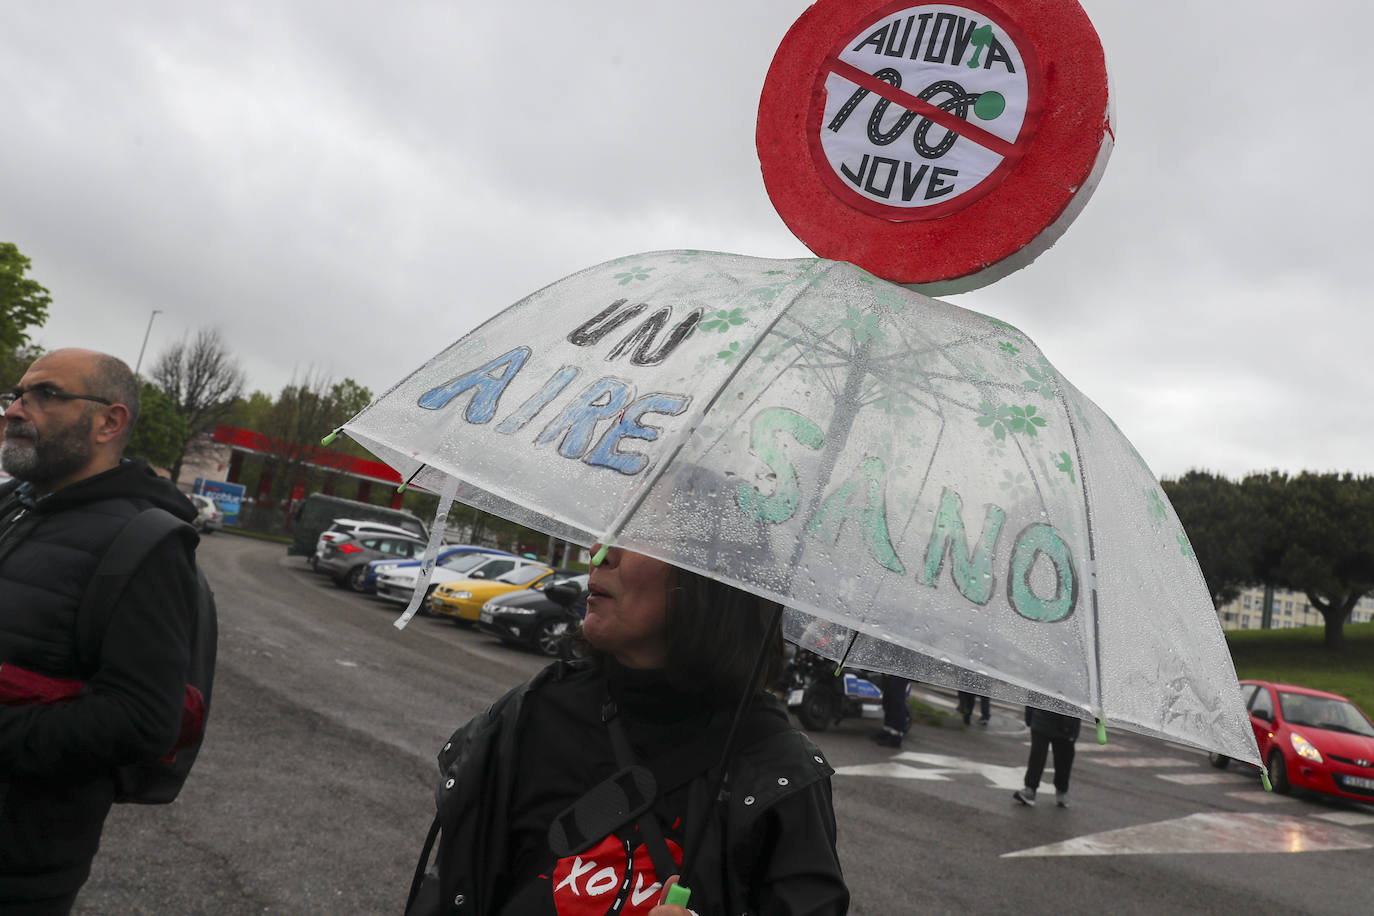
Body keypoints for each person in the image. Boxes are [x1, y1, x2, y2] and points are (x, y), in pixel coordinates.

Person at [405, 545, 849, 916]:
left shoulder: (779, 773)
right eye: (611, 529)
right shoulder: (532, 712)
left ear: (712, 577)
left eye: (641, 537)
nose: (599, 554)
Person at [0, 348, 199, 914]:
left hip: (18, 868)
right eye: (18, 393)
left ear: (110, 422)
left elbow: (142, 722)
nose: (17, 408)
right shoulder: (14, 506)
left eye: (46, 395)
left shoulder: (147, 545)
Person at [1012, 706, 1082, 808]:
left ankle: (1061, 790)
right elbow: (1036, 692)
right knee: (1037, 756)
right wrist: (1030, 713)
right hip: (1043, 718)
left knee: (1064, 759)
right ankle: (1030, 789)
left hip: (1066, 724)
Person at [871, 674, 912, 748]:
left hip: (903, 671)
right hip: (894, 670)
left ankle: (896, 736)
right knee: (888, 699)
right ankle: (887, 730)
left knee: (897, 702)